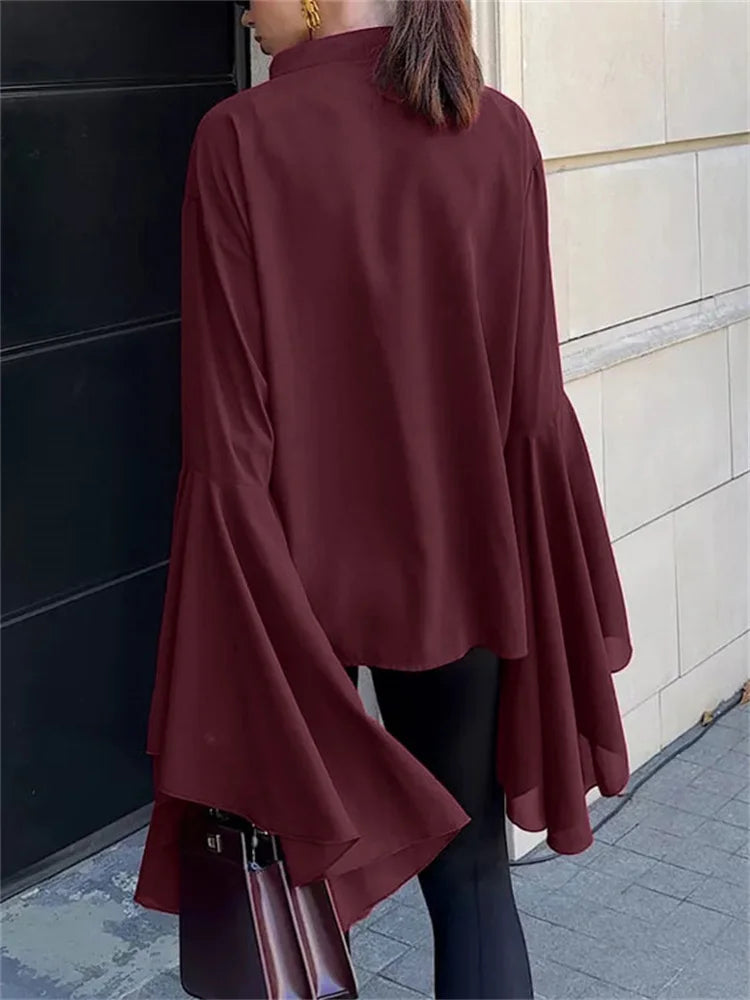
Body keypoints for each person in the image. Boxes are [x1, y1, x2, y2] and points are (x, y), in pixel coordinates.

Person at [134, 2, 634, 997]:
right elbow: (529, 398)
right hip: (462, 566)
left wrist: (225, 622)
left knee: (288, 883)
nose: (245, 9)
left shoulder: (240, 138)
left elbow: (228, 433)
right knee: (475, 877)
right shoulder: (496, 128)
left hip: (288, 582)